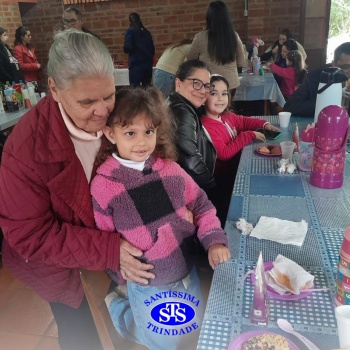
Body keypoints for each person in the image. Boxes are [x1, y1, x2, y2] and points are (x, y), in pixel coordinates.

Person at [0, 29, 155, 350]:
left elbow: (142, 167)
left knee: (132, 325)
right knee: (82, 332)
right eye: (87, 101)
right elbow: (30, 235)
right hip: (56, 264)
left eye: (108, 96)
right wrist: (111, 250)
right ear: (54, 89)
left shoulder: (116, 116)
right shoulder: (25, 149)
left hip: (110, 243)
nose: (103, 111)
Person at [91, 86, 230, 350]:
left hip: (187, 272)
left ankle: (133, 312)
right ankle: (122, 310)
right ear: (111, 134)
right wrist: (120, 274)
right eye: (130, 133)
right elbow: (106, 238)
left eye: (149, 131)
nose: (141, 142)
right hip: (149, 285)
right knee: (162, 343)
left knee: (192, 329)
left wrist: (214, 241)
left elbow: (201, 204)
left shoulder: (171, 171)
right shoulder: (104, 186)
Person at [201, 74, 280, 226]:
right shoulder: (206, 125)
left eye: (224, 93)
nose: (220, 98)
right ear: (204, 97)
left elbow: (244, 121)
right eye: (213, 93)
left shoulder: (226, 116)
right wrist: (248, 135)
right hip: (226, 180)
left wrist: (264, 124)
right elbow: (223, 154)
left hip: (239, 167)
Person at [168, 59, 216, 194]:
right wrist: (214, 190)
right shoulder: (181, 111)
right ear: (178, 83)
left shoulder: (180, 105)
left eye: (207, 86)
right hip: (190, 193)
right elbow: (191, 161)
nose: (203, 91)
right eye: (196, 83)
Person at [187, 0, 246, 98]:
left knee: (210, 111)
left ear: (209, 17)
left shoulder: (200, 37)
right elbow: (242, 62)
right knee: (226, 109)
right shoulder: (234, 36)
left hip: (209, 83)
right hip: (230, 83)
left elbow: (190, 58)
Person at [284, 42, 350, 117]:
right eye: (346, 67)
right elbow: (290, 106)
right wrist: (326, 102)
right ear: (334, 64)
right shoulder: (317, 76)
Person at [124, 12, 155, 87]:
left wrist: (125, 49)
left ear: (130, 21)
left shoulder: (130, 31)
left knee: (135, 92)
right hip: (148, 66)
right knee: (147, 90)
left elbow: (128, 47)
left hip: (136, 65)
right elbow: (152, 50)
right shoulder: (146, 32)